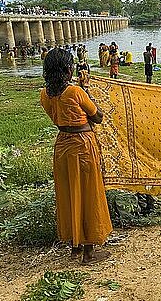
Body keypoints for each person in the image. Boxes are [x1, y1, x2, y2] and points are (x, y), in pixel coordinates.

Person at [40, 48, 112, 264]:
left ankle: (75, 247)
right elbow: (97, 116)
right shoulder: (75, 92)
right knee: (88, 192)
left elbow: (57, 118)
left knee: (70, 193)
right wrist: (86, 89)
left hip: (62, 146)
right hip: (82, 145)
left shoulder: (45, 94)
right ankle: (89, 252)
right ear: (67, 70)